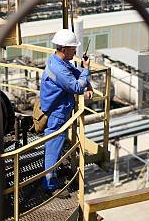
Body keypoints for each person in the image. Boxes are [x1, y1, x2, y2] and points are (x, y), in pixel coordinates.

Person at [40, 29, 93, 196]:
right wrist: (86, 70)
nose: (75, 51)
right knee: (53, 147)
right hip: (57, 113)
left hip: (60, 110)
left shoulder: (59, 62)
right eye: (73, 48)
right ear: (64, 49)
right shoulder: (59, 69)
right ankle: (50, 185)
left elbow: (73, 72)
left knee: (56, 146)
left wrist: (87, 80)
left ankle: (54, 173)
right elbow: (76, 87)